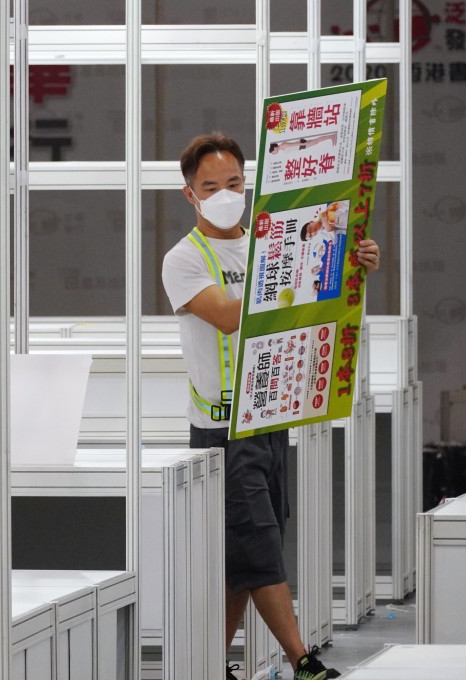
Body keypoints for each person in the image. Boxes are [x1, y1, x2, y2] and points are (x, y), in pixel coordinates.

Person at [161, 133, 381, 680]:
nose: (225, 194)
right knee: (258, 545)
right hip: (222, 430)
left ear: (247, 181)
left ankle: (212, 668)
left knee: (245, 556)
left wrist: (348, 261)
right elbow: (233, 316)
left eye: (234, 183)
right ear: (190, 194)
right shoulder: (185, 260)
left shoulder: (273, 244)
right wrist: (303, 259)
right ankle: (301, 661)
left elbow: (313, 302)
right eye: (210, 187)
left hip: (272, 417)